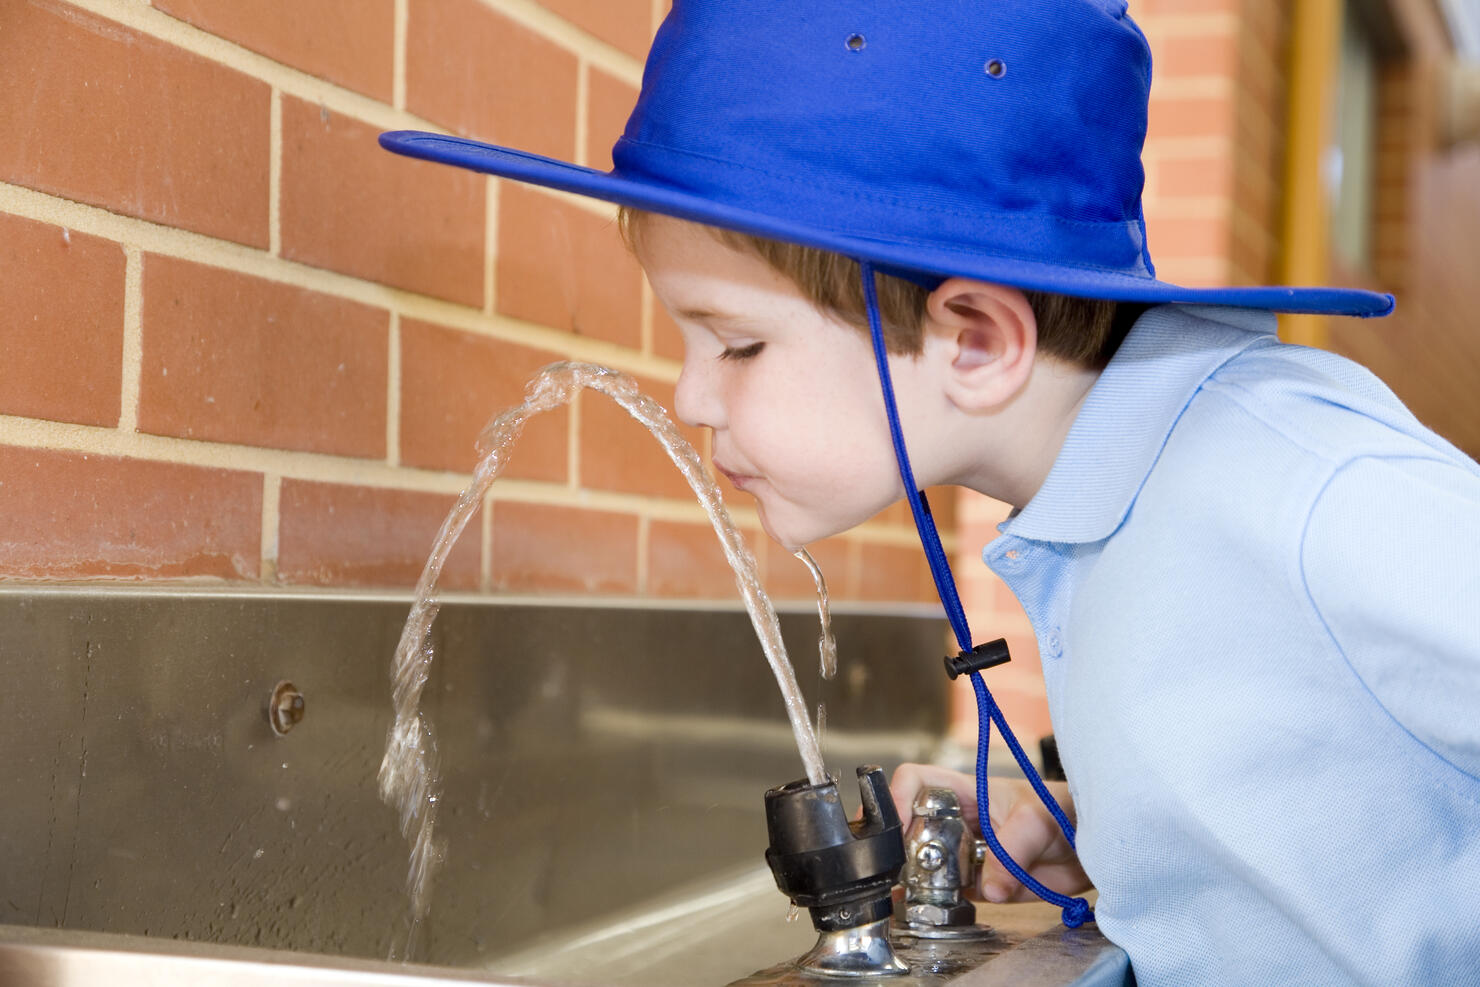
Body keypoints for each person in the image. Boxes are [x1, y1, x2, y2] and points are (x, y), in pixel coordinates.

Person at [379, 1, 1480, 982]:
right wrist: (1105, 835)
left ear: (976, 341)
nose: (691, 399)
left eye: (739, 344)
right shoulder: (1106, 504)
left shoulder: (1304, 485)